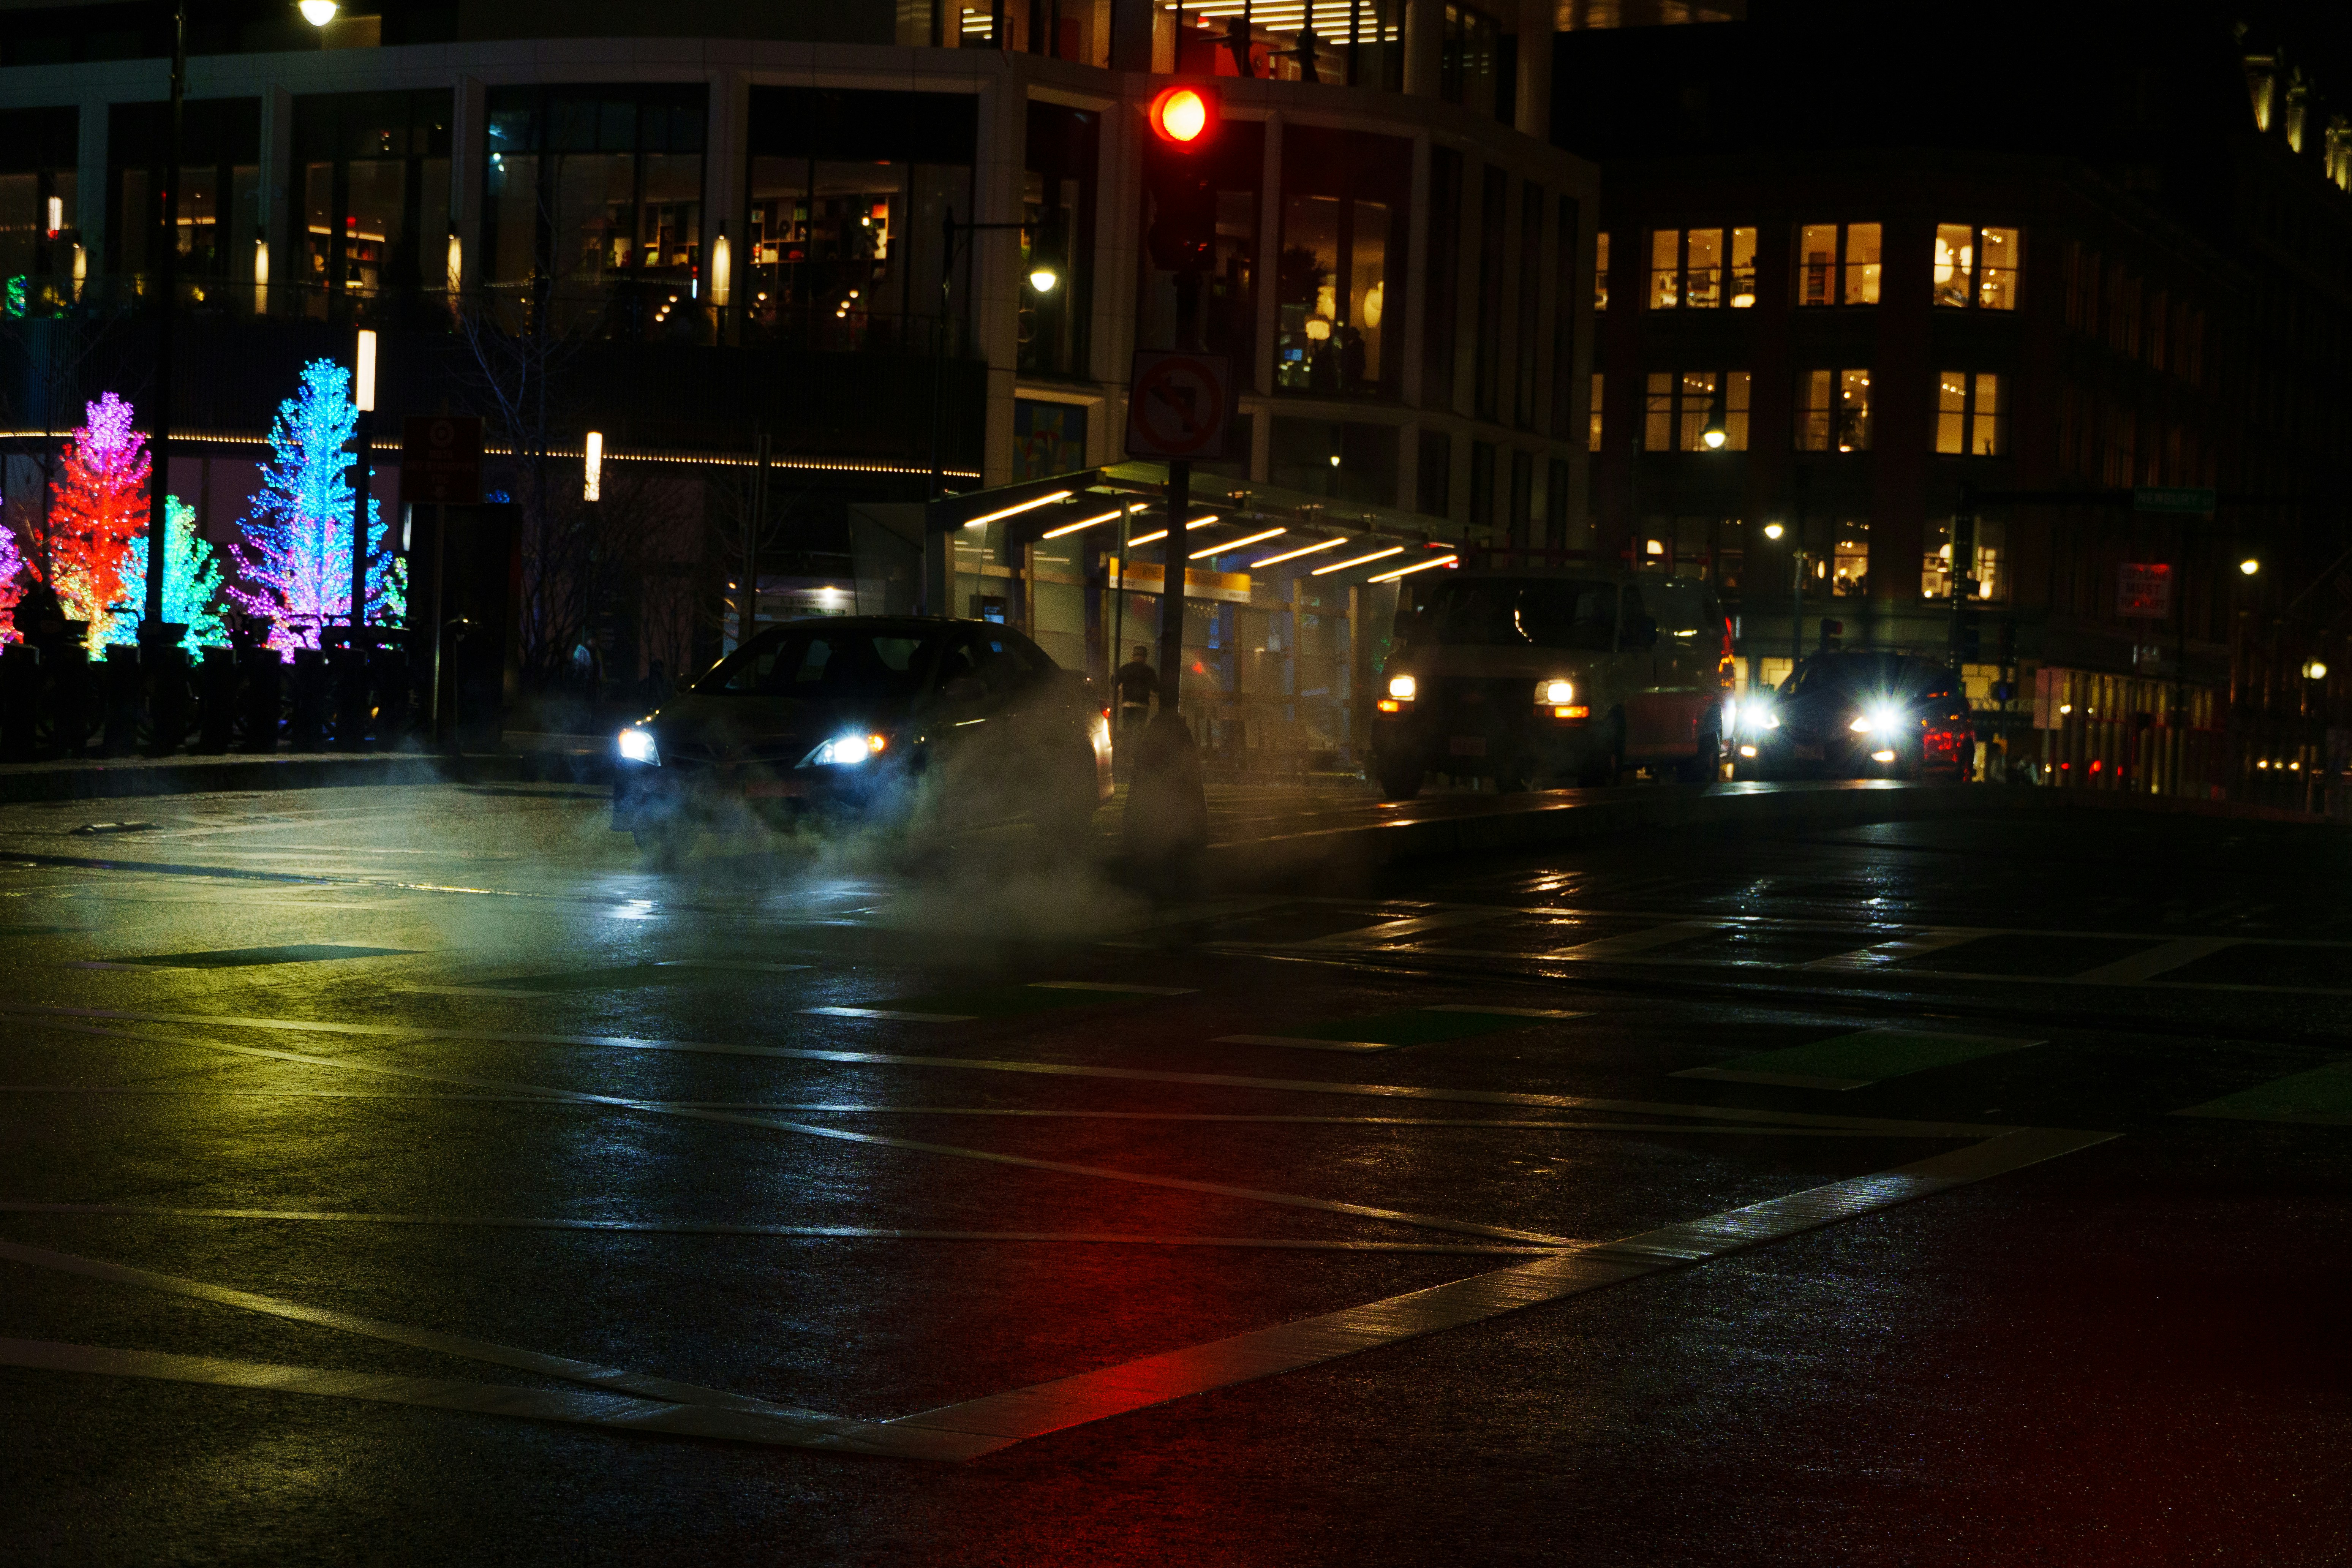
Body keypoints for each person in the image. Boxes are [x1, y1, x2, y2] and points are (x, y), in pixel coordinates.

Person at [1114, 644, 1158, 755]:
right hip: (1142, 706)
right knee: (1139, 732)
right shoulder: (1149, 671)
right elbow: (1156, 688)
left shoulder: (1126, 669)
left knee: (1127, 731)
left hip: (1127, 704)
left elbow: (1114, 681)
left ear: (1133, 657)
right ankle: (1136, 756)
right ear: (1145, 658)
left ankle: (1126, 754)